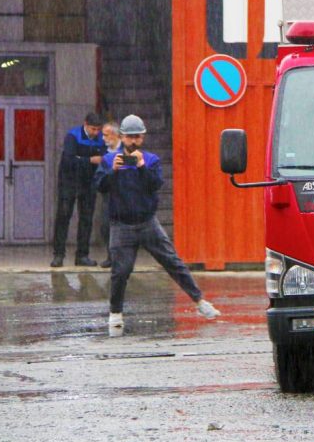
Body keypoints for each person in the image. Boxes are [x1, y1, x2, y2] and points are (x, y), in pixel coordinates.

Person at [94, 114, 220, 333]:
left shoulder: (151, 160)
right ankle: (115, 313)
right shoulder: (108, 161)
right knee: (120, 271)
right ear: (122, 137)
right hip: (121, 224)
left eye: (137, 137)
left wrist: (141, 166)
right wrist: (112, 171)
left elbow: (154, 185)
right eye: (129, 137)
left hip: (147, 222)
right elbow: (100, 187)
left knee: (173, 262)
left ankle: (200, 301)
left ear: (142, 138)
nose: (133, 142)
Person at [51, 112, 105, 268]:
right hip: (69, 182)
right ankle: (59, 254)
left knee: (86, 219)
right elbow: (69, 160)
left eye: (98, 130)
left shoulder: (100, 139)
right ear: (85, 124)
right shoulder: (73, 136)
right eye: (93, 129)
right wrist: (89, 160)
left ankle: (82, 255)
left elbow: (104, 156)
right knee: (63, 216)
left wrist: (83, 160)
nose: (96, 133)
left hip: (88, 183)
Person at [98, 121, 122, 269]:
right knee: (106, 227)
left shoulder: (126, 151)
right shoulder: (105, 155)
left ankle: (119, 257)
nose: (103, 138)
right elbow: (100, 177)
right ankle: (111, 255)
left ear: (114, 135)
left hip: (123, 195)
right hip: (109, 194)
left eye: (106, 135)